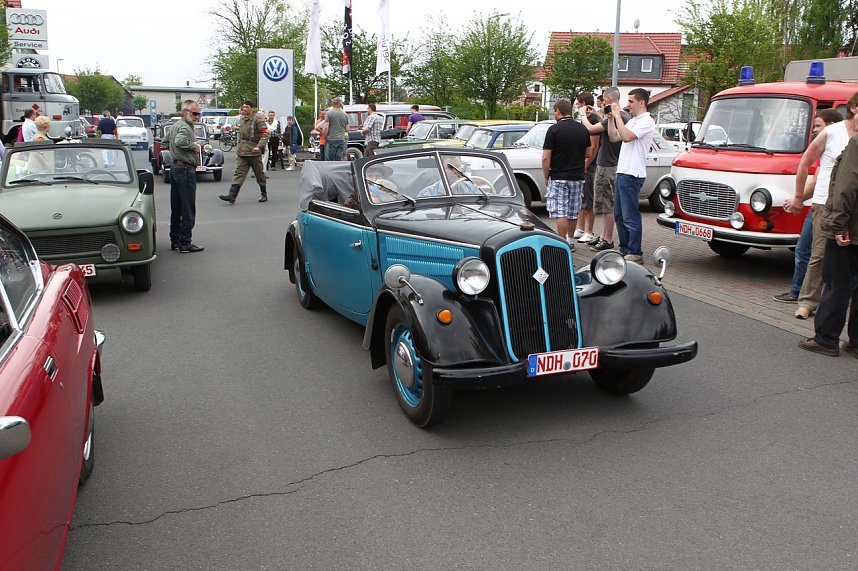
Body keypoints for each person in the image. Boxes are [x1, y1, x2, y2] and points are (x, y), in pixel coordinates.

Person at [775, 107, 848, 311]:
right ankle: (799, 292)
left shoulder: (841, 141)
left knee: (818, 254)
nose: (814, 130)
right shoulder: (826, 148)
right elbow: (815, 180)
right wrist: (798, 199)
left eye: (817, 125)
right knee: (805, 250)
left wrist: (798, 199)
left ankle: (807, 298)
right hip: (819, 203)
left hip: (831, 205)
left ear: (830, 126)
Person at [798, 134, 858, 358]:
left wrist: (838, 224)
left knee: (837, 283)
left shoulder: (857, 143)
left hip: (850, 229)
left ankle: (826, 339)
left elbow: (847, 185)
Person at [608, 88, 656, 263]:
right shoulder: (634, 121)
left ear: (642, 102)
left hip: (633, 173)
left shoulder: (647, 121)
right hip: (623, 172)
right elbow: (614, 137)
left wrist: (619, 116)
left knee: (630, 215)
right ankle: (625, 248)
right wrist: (612, 119)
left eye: (631, 102)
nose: (627, 106)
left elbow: (627, 137)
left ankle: (635, 251)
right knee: (619, 214)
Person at [581, 87, 630, 252]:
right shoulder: (621, 117)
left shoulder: (619, 116)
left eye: (603, 100)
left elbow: (590, 129)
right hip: (609, 164)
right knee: (602, 203)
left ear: (609, 99)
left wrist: (582, 114)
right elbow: (607, 124)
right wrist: (597, 114)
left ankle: (607, 239)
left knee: (607, 203)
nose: (602, 102)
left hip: (608, 165)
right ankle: (603, 237)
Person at [542, 98, 592, 251]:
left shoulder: (554, 130)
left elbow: (546, 157)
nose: (554, 114)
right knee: (572, 211)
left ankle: (561, 243)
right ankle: (570, 241)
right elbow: (588, 153)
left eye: (554, 111)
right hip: (577, 177)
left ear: (558, 111)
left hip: (558, 177)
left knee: (561, 211)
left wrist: (546, 176)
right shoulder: (583, 129)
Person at [167, 100, 204, 253]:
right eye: (194, 113)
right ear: (184, 112)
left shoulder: (175, 126)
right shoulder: (185, 127)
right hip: (185, 169)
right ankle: (185, 243)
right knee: (188, 207)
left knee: (176, 207)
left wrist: (175, 151)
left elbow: (165, 141)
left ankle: (175, 240)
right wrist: (193, 146)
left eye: (198, 113)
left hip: (176, 167)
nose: (197, 117)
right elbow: (179, 141)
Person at [220, 100, 270, 204]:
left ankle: (264, 193)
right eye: (243, 107)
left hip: (253, 152)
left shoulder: (258, 120)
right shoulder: (242, 119)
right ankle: (232, 195)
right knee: (239, 173)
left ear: (252, 108)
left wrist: (259, 146)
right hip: (242, 152)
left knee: (259, 174)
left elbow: (265, 134)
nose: (244, 109)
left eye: (247, 107)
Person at [571, 92, 601, 245]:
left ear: (584, 104)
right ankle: (580, 228)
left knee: (589, 198)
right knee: (583, 198)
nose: (577, 106)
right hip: (584, 162)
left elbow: (594, 146)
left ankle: (590, 231)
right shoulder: (586, 120)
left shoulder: (593, 120)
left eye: (578, 103)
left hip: (591, 165)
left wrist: (586, 164)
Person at [417, 155, 481, 198]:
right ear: (441, 169)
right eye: (450, 168)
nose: (455, 171)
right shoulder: (427, 194)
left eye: (457, 166)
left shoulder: (471, 188)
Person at [321, 97, 349, 161]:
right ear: (340, 103)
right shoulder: (345, 114)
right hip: (341, 139)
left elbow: (325, 128)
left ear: (332, 103)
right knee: (338, 159)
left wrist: (325, 137)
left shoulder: (329, 113)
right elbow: (347, 129)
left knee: (329, 160)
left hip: (331, 139)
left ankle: (329, 171)